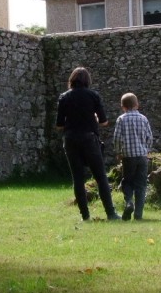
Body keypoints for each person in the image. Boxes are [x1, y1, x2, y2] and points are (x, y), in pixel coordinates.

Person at [56, 67, 120, 221]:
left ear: (72, 80)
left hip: (70, 139)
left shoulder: (64, 97)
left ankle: (85, 216)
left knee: (77, 178)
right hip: (89, 138)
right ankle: (110, 213)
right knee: (100, 177)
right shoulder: (93, 96)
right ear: (87, 80)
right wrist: (94, 119)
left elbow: (59, 125)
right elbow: (104, 121)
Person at [112, 92, 154, 221]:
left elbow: (117, 138)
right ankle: (138, 215)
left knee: (127, 181)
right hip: (142, 155)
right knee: (141, 185)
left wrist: (119, 152)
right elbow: (149, 137)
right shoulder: (143, 118)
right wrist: (146, 149)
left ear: (122, 106)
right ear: (137, 105)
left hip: (128, 156)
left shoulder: (121, 119)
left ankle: (129, 201)